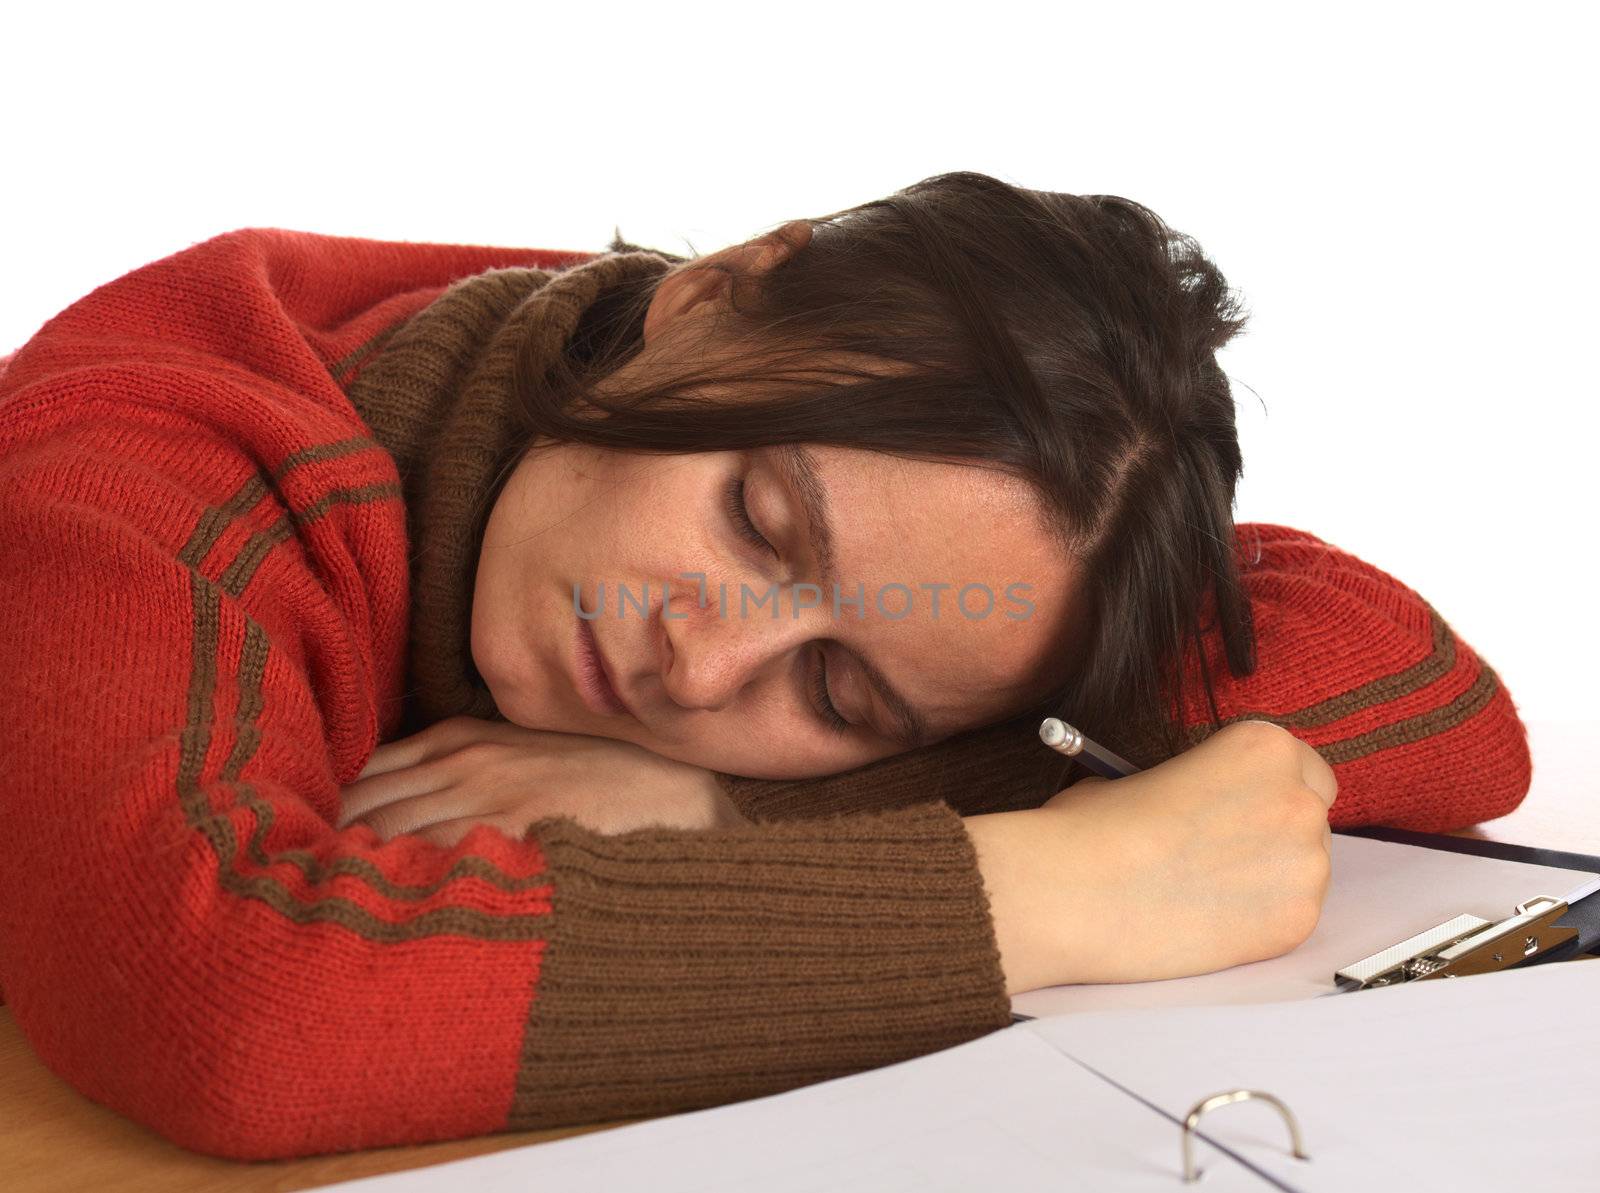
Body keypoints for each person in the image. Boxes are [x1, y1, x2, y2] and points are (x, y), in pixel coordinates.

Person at [0, 172, 1531, 1160]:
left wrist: (719, 812)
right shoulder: (154, 446)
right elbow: (223, 992)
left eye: (841, 696)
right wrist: (1060, 887)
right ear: (709, 295)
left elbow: (1436, 702)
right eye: (757, 518)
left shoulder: (925, 545)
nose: (705, 662)